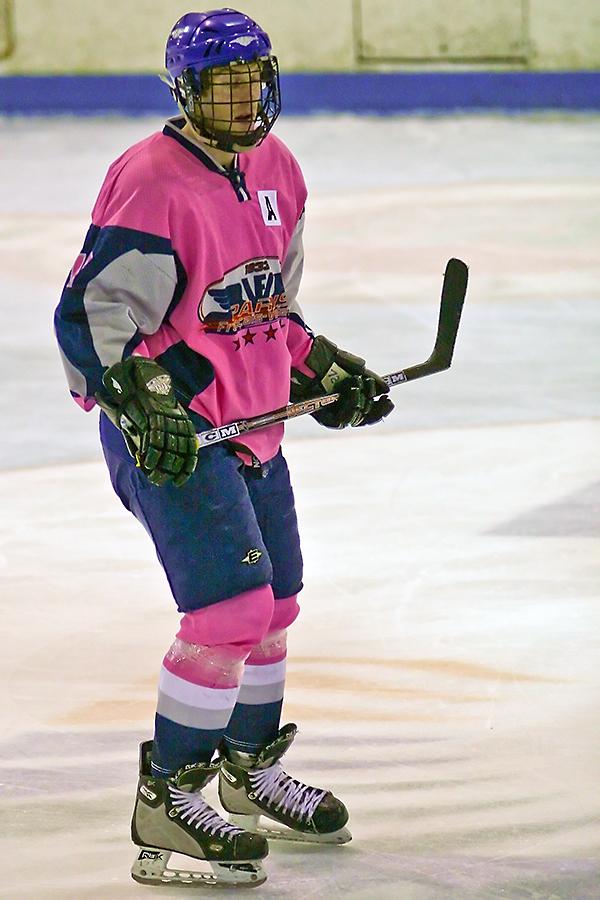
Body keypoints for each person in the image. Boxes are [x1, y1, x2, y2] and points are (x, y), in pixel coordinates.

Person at [54, 7, 393, 889]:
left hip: (251, 427)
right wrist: (140, 401)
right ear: (187, 90)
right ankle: (167, 798)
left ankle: (247, 772)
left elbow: (265, 308)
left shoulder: (279, 168)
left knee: (275, 605)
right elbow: (88, 318)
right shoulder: (152, 180)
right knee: (228, 614)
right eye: (221, 84)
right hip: (175, 435)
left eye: (252, 80)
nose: (242, 100)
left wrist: (318, 367)